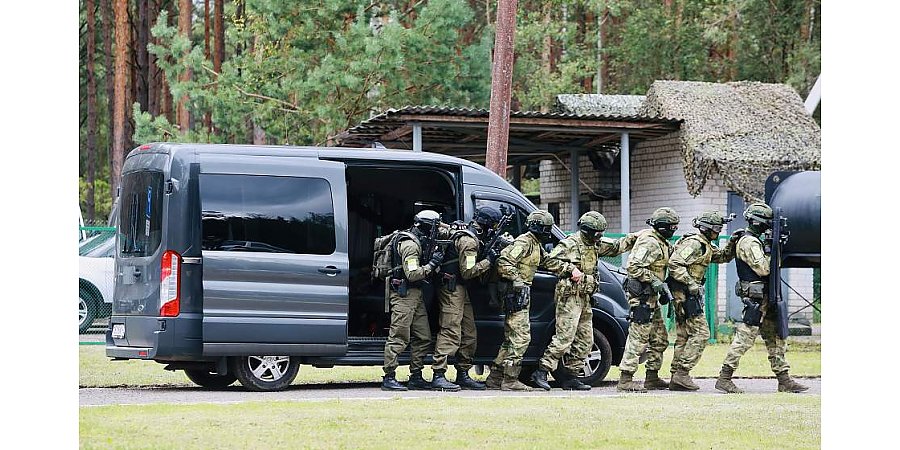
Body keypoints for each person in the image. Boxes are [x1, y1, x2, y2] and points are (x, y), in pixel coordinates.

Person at [530, 211, 637, 391]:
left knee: (586, 340)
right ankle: (542, 371)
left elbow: (616, 247)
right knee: (564, 338)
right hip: (570, 298)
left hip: (585, 298)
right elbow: (548, 262)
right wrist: (569, 269)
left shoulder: (595, 245)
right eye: (596, 233)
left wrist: (636, 237)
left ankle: (570, 376)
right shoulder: (569, 244)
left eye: (600, 233)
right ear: (587, 230)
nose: (599, 236)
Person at [715, 202, 809, 394]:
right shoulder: (749, 242)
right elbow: (764, 269)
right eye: (766, 222)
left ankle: (784, 380)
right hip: (756, 301)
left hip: (766, 298)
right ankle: (724, 378)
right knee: (745, 338)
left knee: (776, 338)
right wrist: (772, 250)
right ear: (758, 222)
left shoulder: (753, 240)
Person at [484, 209, 566, 391]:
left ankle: (496, 377)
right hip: (516, 295)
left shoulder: (535, 244)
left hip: (520, 294)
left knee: (510, 339)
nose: (548, 232)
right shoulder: (524, 242)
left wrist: (568, 269)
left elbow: (548, 262)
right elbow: (504, 262)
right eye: (546, 228)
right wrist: (518, 280)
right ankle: (510, 379)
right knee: (521, 337)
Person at [430, 205, 504, 391]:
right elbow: (468, 271)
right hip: (452, 288)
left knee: (469, 333)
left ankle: (463, 373)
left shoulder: (473, 235)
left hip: (460, 289)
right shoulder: (469, 241)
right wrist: (489, 261)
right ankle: (438, 374)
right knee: (451, 330)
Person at [666, 211, 737, 391]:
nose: (718, 232)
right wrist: (691, 283)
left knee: (683, 335)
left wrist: (732, 242)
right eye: (717, 228)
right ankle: (682, 372)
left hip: (686, 294)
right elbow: (674, 264)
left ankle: (676, 376)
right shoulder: (695, 243)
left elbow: (722, 257)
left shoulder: (706, 245)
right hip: (684, 294)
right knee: (702, 333)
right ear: (707, 228)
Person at [381, 210, 445, 391]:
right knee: (399, 337)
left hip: (415, 295)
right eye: (435, 227)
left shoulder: (419, 240)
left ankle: (416, 376)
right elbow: (413, 274)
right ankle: (389, 377)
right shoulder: (410, 245)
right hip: (404, 296)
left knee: (423, 337)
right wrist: (432, 264)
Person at [617, 207, 679, 392]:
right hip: (641, 298)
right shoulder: (650, 242)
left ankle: (652, 377)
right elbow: (633, 266)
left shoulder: (661, 241)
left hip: (651, 297)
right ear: (662, 227)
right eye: (672, 227)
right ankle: (625, 379)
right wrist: (655, 281)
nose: (674, 230)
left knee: (660, 338)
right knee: (638, 337)